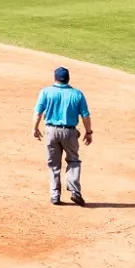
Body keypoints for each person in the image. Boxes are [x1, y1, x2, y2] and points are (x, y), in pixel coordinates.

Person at [33, 65, 93, 206]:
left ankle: (55, 195)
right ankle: (75, 191)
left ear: (55, 78)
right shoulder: (77, 94)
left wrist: (35, 128)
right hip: (70, 132)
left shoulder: (46, 92)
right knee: (73, 161)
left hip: (51, 131)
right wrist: (88, 132)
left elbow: (38, 113)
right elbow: (85, 116)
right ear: (68, 79)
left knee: (53, 164)